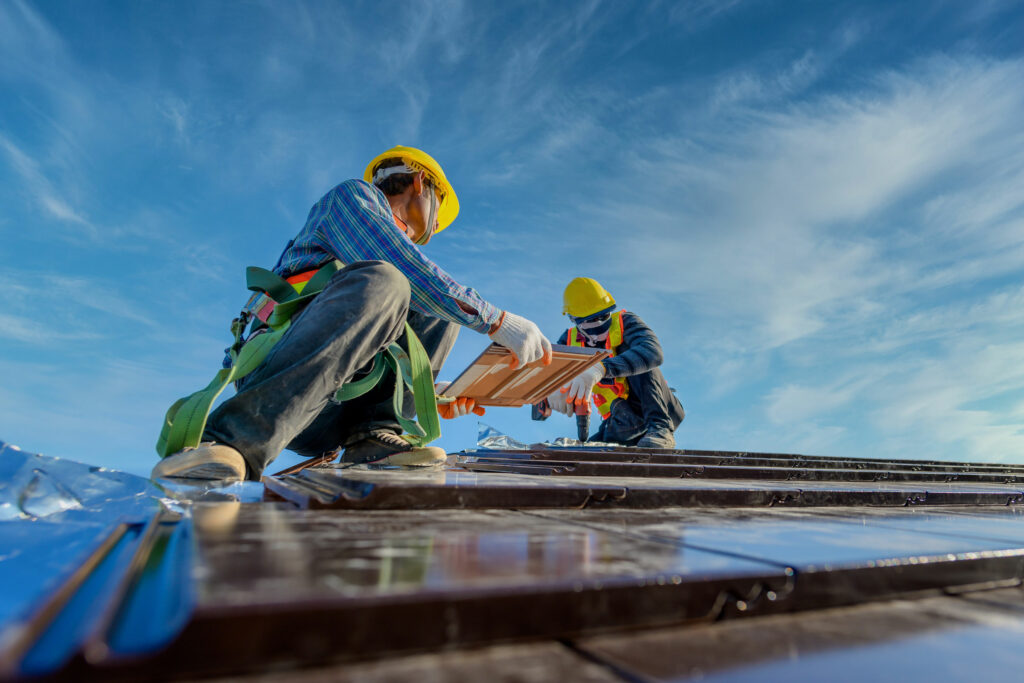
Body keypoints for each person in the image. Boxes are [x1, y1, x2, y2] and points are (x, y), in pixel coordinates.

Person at [152, 146, 551, 481]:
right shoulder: (351, 198)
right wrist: (495, 319)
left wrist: (425, 391)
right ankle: (230, 442)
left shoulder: (399, 267)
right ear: (420, 184)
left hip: (332, 411)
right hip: (274, 389)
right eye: (432, 222)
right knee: (396, 281)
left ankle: (376, 438)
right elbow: (396, 262)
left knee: (434, 306)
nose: (423, 236)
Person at [537, 277, 684, 448]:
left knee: (640, 355)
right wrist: (549, 390)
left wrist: (601, 369)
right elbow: (543, 374)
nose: (600, 327)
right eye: (591, 322)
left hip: (655, 409)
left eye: (603, 317)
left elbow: (653, 353)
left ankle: (661, 429)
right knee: (589, 451)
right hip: (620, 421)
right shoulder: (568, 341)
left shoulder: (626, 322)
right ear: (573, 319)